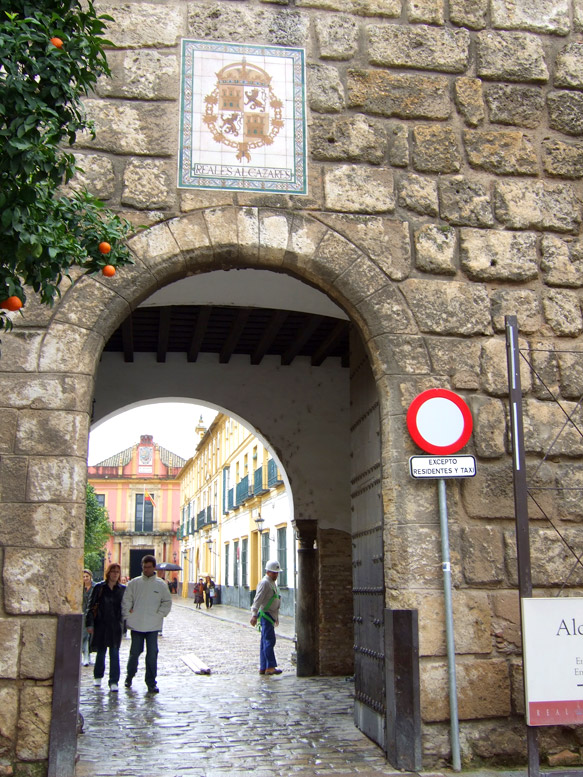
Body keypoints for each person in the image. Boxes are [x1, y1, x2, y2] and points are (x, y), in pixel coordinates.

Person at [122, 554, 172, 694]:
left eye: (149, 567)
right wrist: (129, 616)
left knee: (152, 654)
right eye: (144, 567)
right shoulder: (134, 583)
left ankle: (151, 682)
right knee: (134, 653)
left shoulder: (161, 585)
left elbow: (167, 602)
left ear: (153, 567)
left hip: (153, 626)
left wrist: (159, 614)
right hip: (137, 624)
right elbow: (127, 601)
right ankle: (129, 676)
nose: (146, 570)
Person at [86, 563, 126, 691]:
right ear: (108, 573)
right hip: (101, 624)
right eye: (113, 571)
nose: (115, 574)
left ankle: (114, 681)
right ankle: (98, 676)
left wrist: (125, 625)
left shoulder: (122, 589)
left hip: (115, 625)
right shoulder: (99, 587)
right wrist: (90, 624)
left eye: (117, 572)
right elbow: (91, 606)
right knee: (101, 652)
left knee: (114, 653)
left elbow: (125, 608)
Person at [250, 560, 283, 676]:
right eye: (274, 573)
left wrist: (276, 617)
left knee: (265, 642)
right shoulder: (265, 583)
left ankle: (263, 667)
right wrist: (254, 614)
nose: (276, 575)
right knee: (269, 641)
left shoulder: (271, 583)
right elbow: (257, 599)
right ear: (268, 572)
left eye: (277, 573)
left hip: (271, 615)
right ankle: (270, 667)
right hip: (266, 615)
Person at [81, 569, 95, 666]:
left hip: (92, 614)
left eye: (87, 576)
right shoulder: (79, 587)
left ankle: (88, 654)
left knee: (91, 636)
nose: (85, 578)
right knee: (84, 635)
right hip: (82, 614)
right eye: (83, 576)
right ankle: (85, 655)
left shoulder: (95, 587)